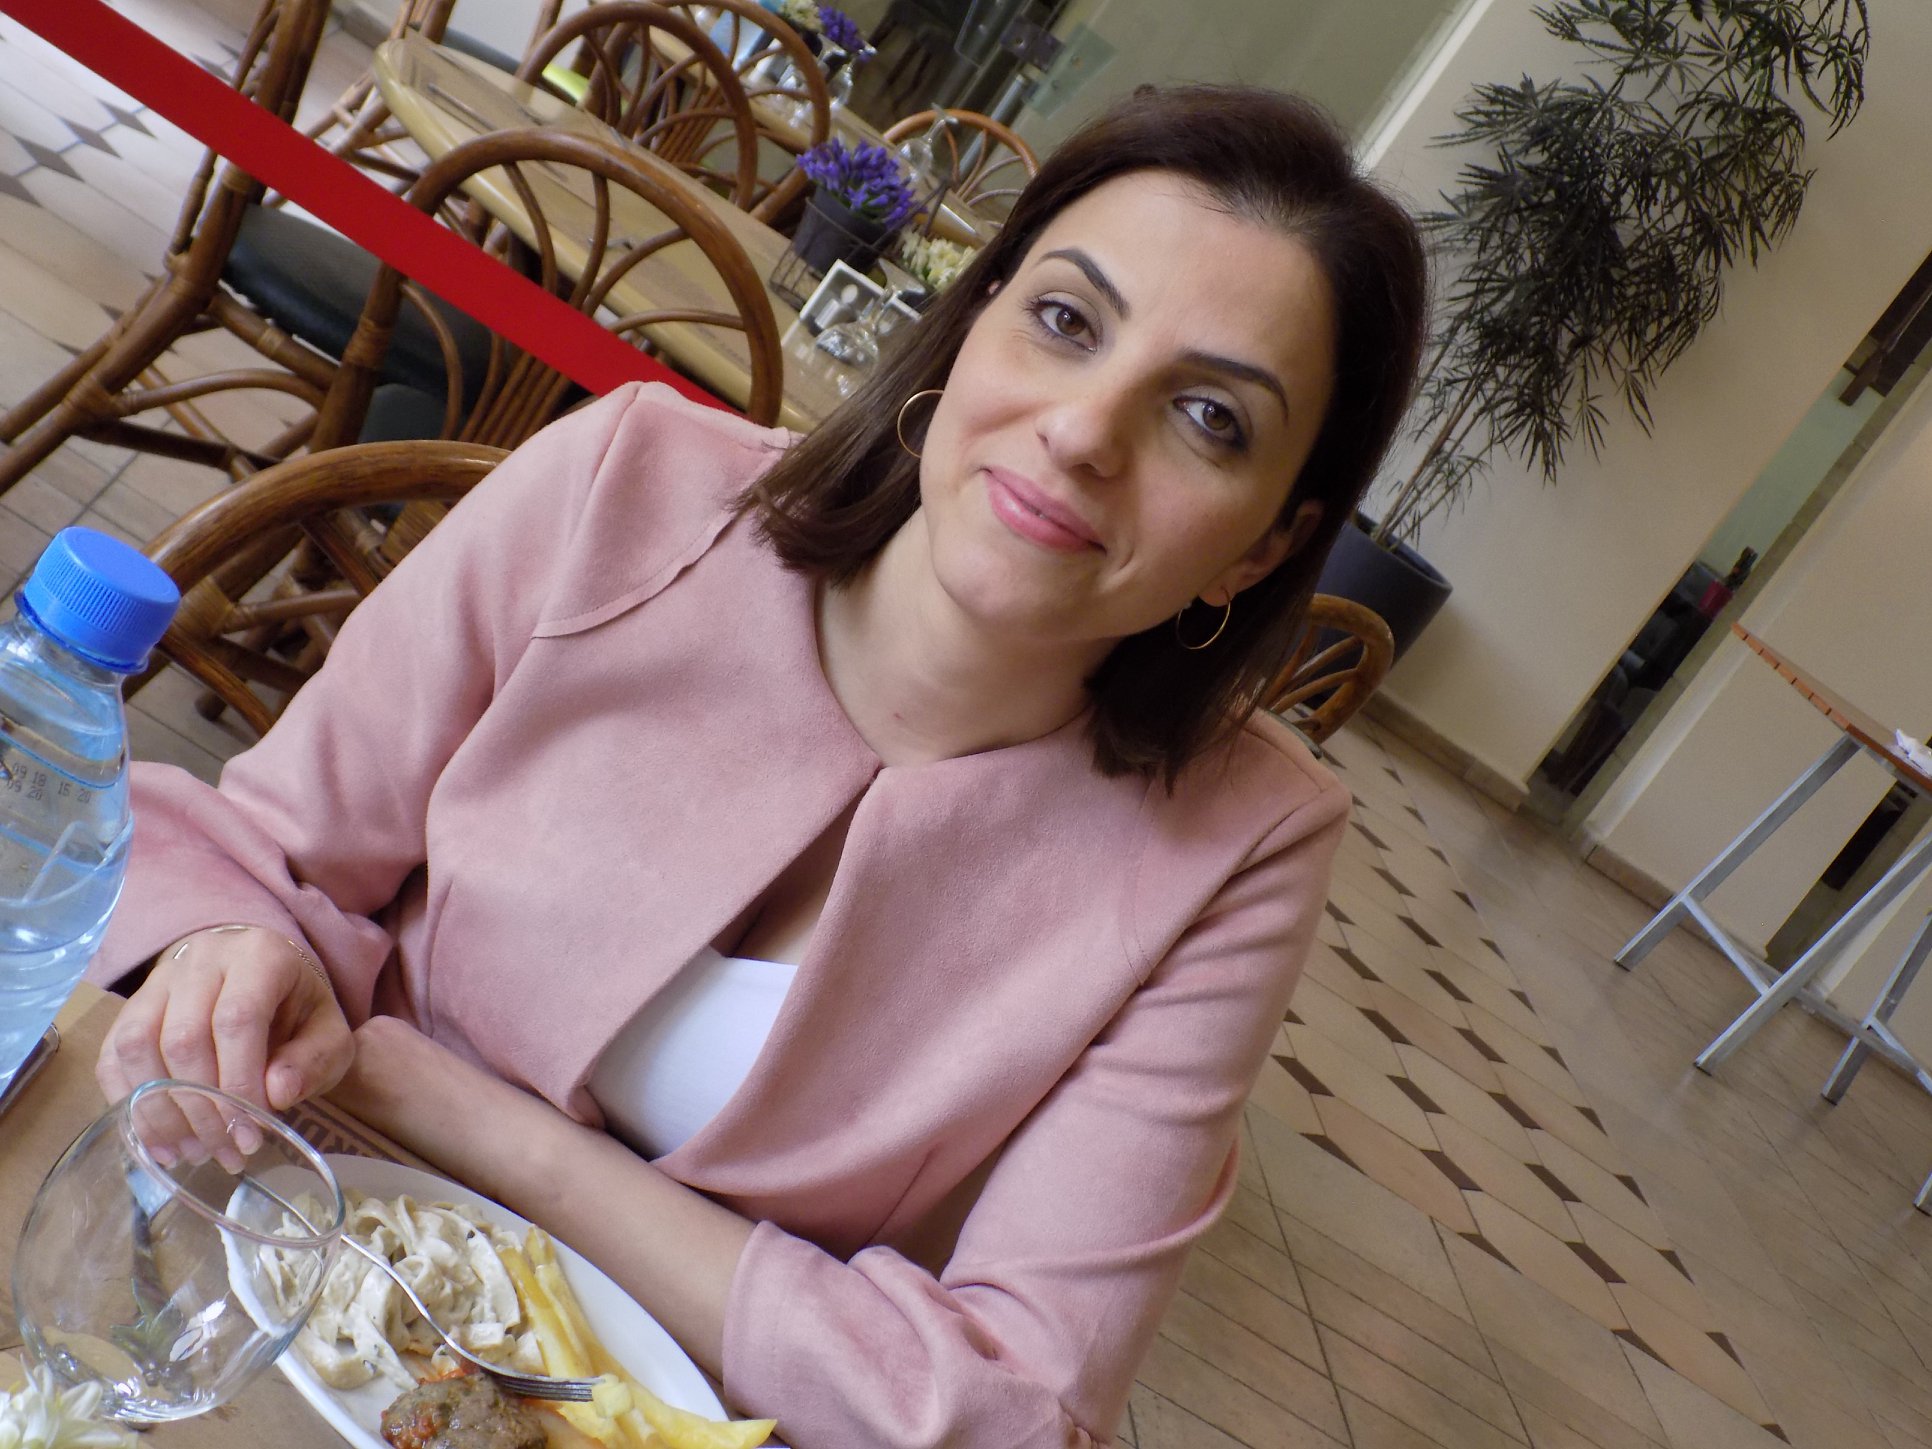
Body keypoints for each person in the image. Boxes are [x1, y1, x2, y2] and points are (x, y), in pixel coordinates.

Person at [89, 84, 1426, 1447]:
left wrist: (450, 1106)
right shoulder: (631, 480)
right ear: (971, 323)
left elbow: (1015, 1410)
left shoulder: (1242, 848)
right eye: (1067, 321)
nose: (1084, 433)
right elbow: (259, 852)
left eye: (1210, 418)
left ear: (1267, 545)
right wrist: (235, 950)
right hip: (269, 1247)